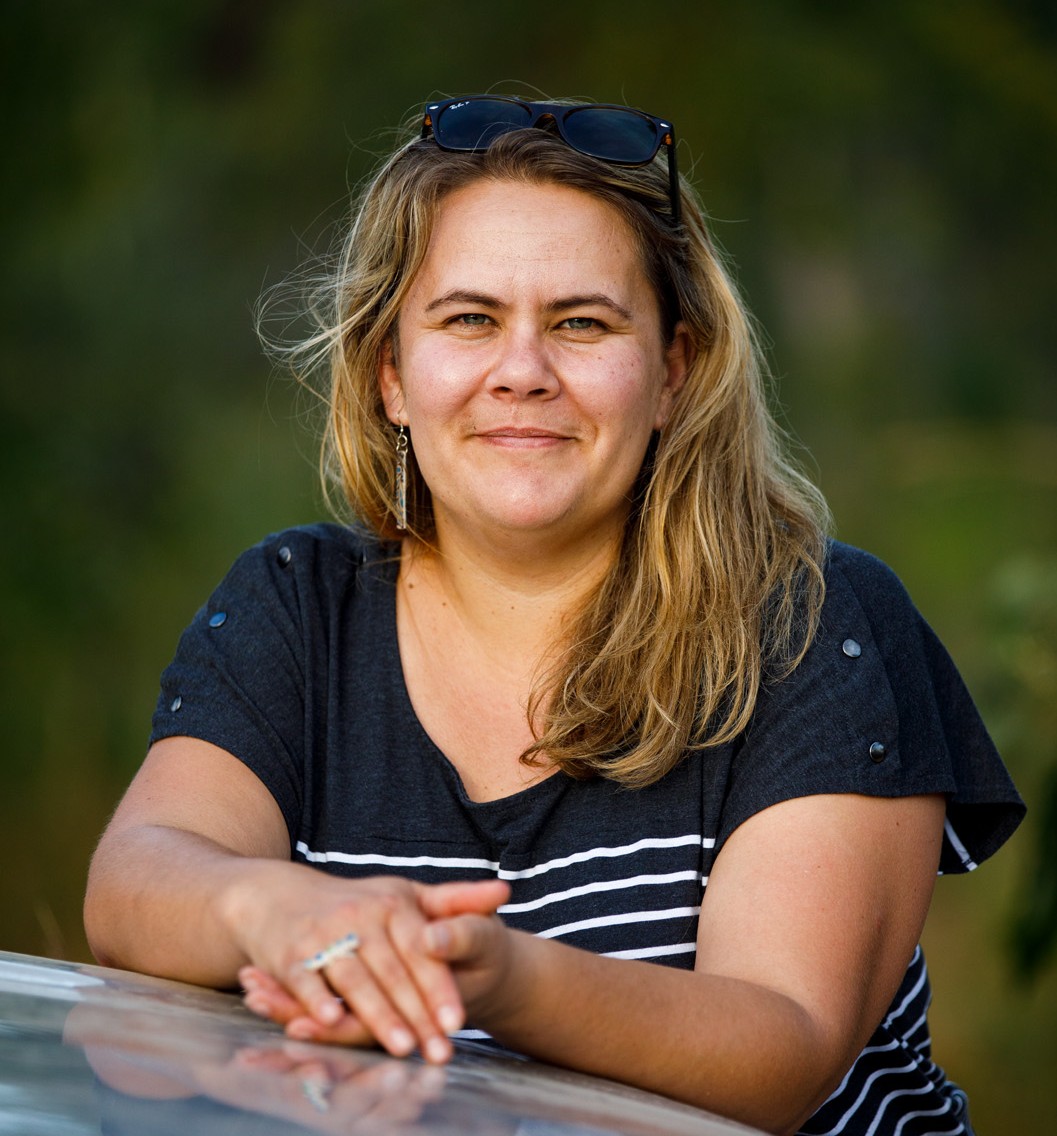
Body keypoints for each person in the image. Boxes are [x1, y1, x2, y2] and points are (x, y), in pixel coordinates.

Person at [84, 95, 1024, 1136]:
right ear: (392, 373)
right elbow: (136, 881)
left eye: (581, 323)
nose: (522, 372)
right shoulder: (298, 606)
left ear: (671, 371)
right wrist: (272, 907)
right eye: (469, 319)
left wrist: (492, 978)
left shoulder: (810, 621)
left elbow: (780, 1050)